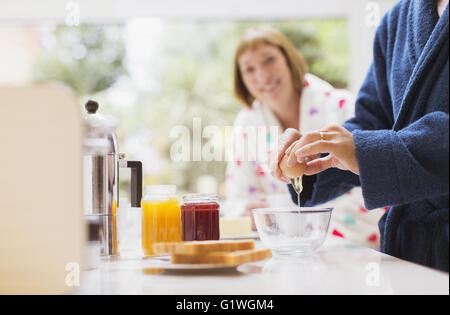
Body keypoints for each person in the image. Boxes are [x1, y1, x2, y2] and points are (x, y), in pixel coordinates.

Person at [270, 0, 449, 271]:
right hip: (410, 255)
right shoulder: (397, 20)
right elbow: (373, 121)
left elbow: (372, 145)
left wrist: (368, 152)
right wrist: (317, 152)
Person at [224, 26, 385, 249]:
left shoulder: (342, 106)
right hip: (279, 250)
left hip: (349, 243)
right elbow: (237, 198)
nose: (261, 75)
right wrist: (249, 212)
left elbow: (374, 180)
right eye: (249, 69)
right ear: (241, 79)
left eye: (269, 60)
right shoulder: (246, 123)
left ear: (289, 60)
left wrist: (303, 226)